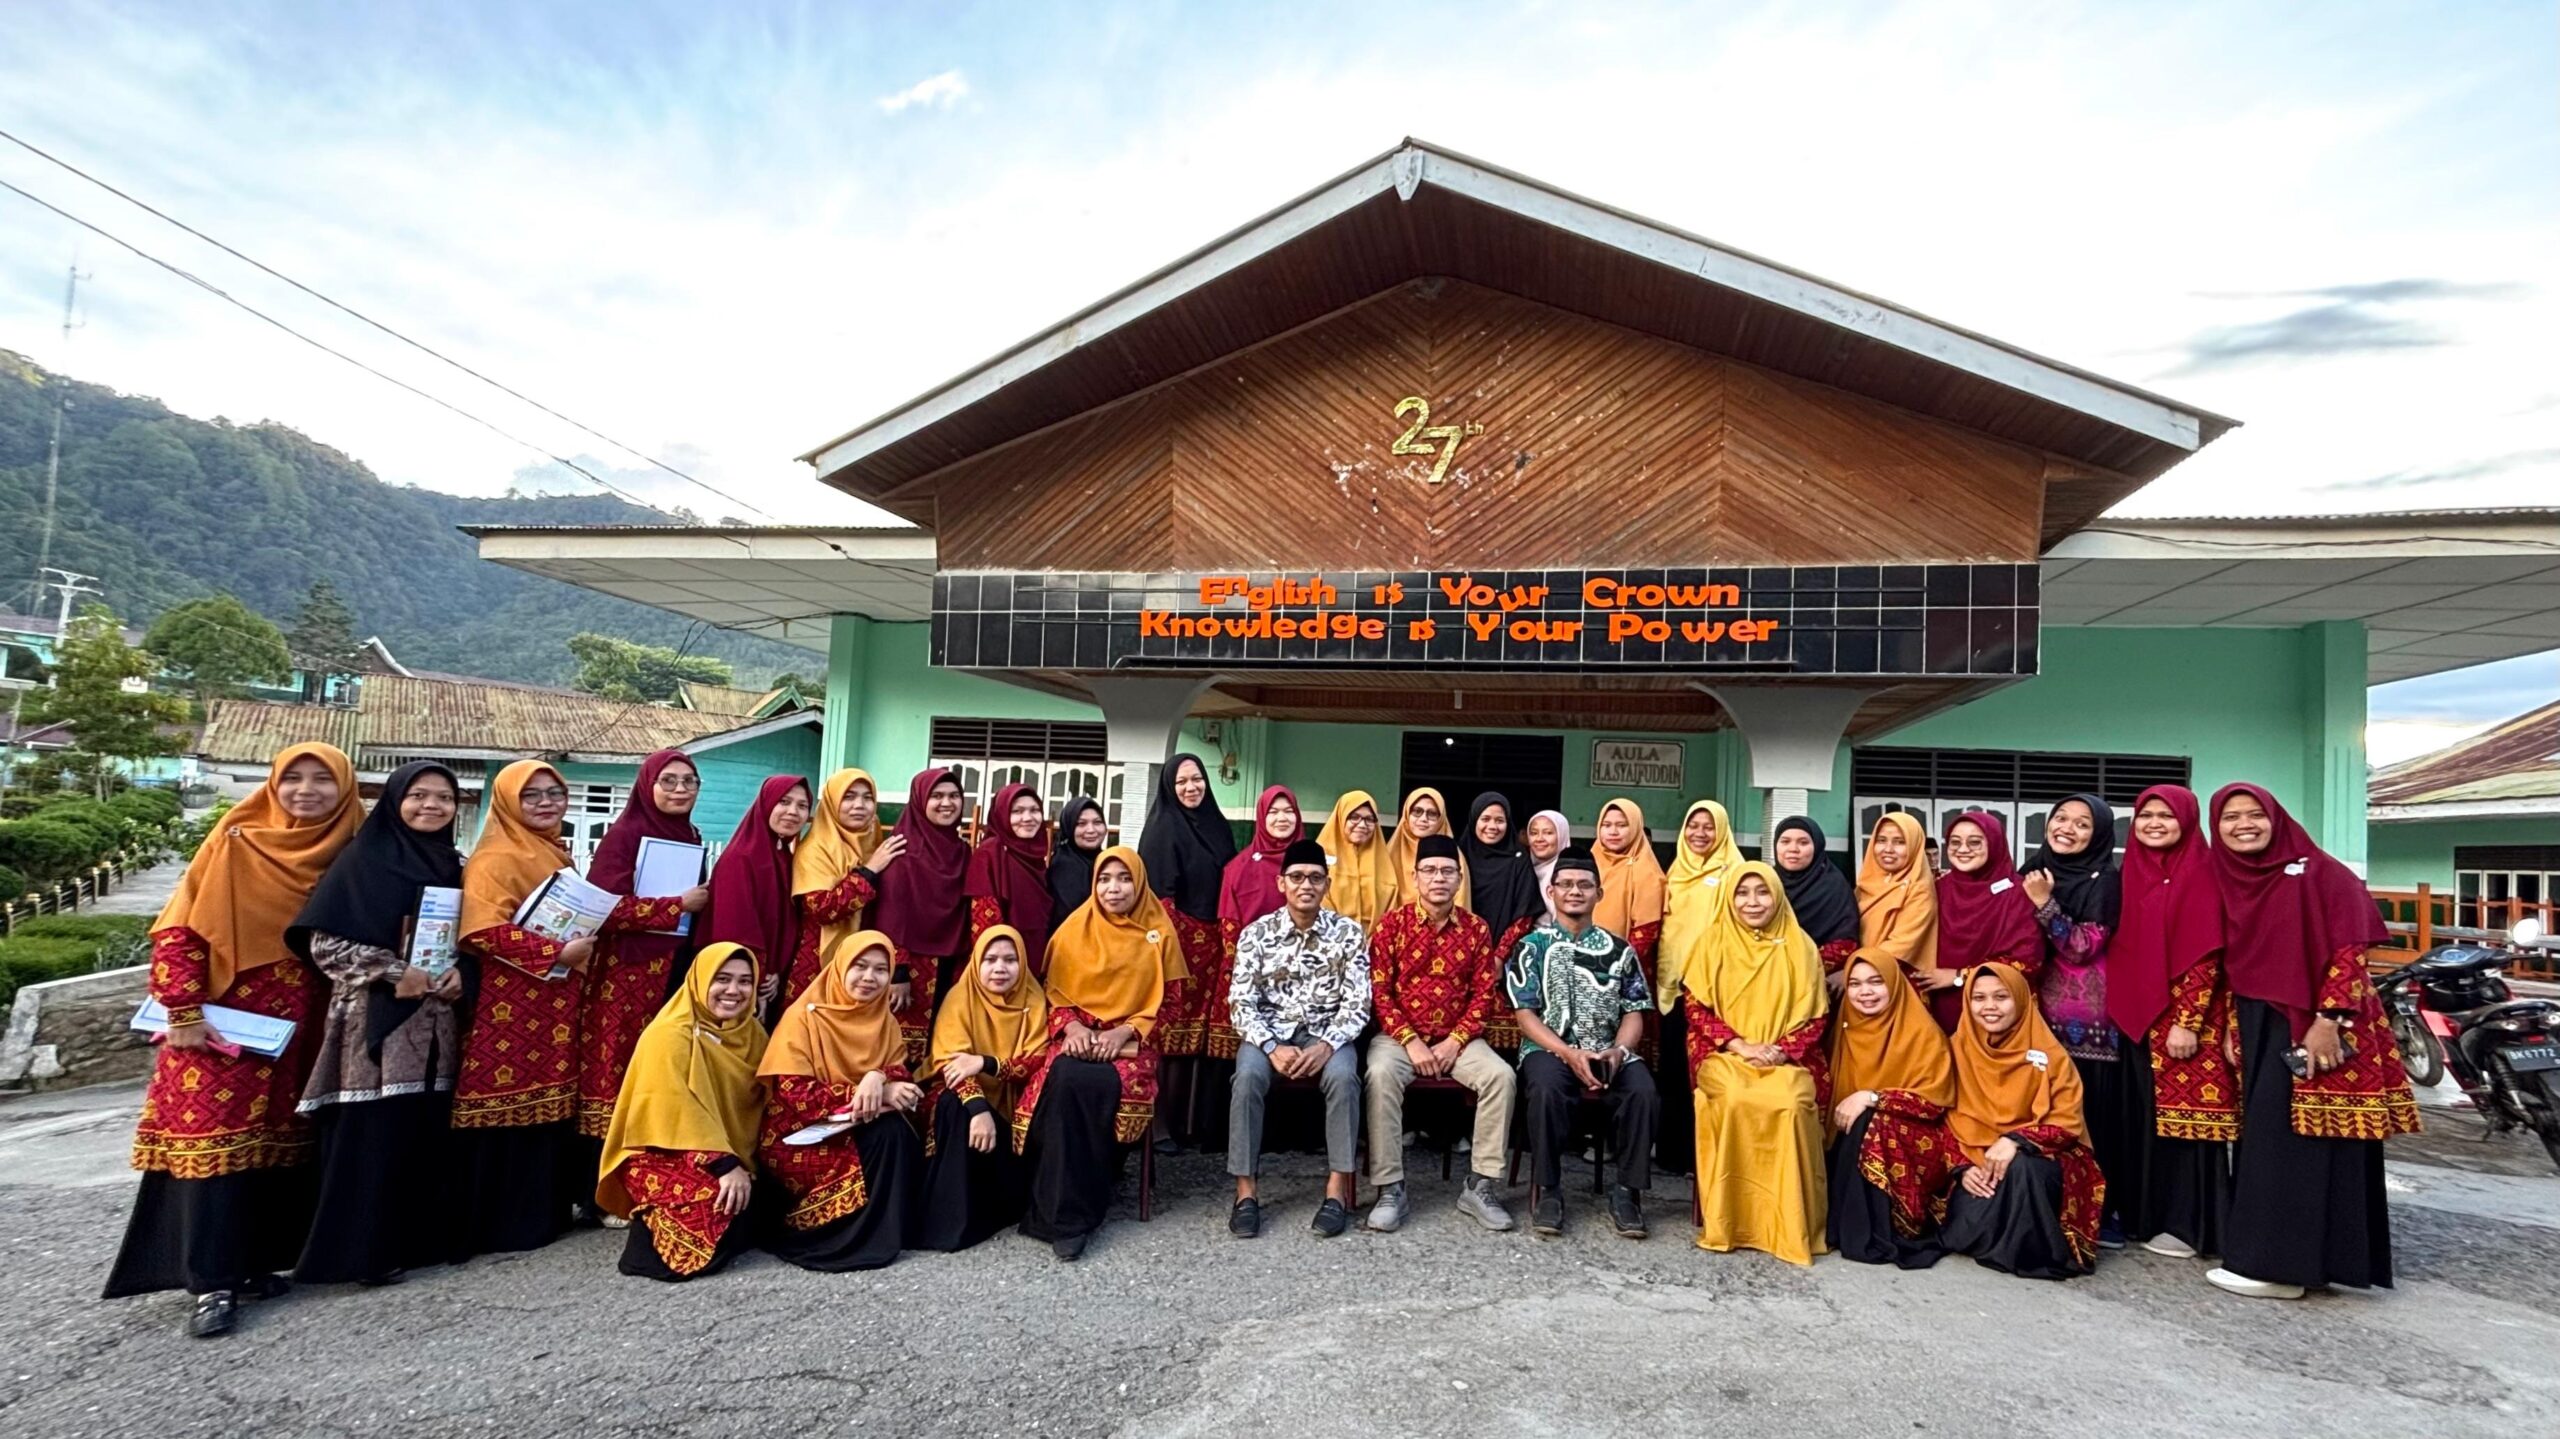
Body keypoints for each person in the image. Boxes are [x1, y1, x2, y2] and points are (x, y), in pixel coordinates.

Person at [103, 743, 362, 1338]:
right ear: (272, 784)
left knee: (277, 1148)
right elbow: (180, 927)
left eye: (322, 780)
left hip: (308, 1028)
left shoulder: (352, 847)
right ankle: (211, 1284)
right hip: (225, 1025)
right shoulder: (236, 840)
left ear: (345, 788)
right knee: (215, 1149)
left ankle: (251, 1266)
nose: (306, 790)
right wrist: (184, 1009)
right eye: (292, 778)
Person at [448, 761, 685, 1258]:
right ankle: (498, 1223)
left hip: (560, 999)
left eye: (555, 793)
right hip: (513, 1002)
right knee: (510, 1104)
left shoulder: (555, 852)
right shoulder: (495, 856)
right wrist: (553, 953)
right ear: (509, 800)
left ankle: (543, 1213)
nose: (546, 803)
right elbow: (481, 930)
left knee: (552, 1104)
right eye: (532, 796)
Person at [2203, 782, 2416, 1300]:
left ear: (2277, 819)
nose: (2243, 825)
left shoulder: (2320, 871)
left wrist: (2330, 1017)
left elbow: (2351, 948)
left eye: (2255, 814)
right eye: (2230, 817)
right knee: (2269, 1137)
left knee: (2290, 1139)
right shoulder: (2227, 878)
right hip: (2260, 1017)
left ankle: (2275, 1268)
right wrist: (2234, 1029)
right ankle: (2310, 1262)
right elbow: (2234, 965)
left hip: (2317, 1022)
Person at [287, 761, 467, 1288]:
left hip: (437, 1020)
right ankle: (358, 1254)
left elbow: (470, 936)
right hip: (376, 1020)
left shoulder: (452, 865)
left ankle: (417, 1241)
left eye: (444, 798)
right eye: (418, 795)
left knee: (422, 1128)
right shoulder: (362, 861)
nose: (431, 806)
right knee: (372, 1132)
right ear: (394, 800)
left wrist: (462, 974)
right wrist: (393, 971)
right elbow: (325, 944)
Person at [1014, 847, 1178, 1261]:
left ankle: (1078, 1207)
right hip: (1079, 1035)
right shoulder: (1074, 928)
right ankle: (1056, 1207)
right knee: (1064, 1079)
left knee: (1098, 1083)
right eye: (1105, 879)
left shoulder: (1160, 932)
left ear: (1139, 882)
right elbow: (1053, 993)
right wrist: (1073, 1027)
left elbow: (1173, 1007)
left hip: (1132, 1043)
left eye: (1124, 878)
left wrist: (1125, 1032)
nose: (1113, 888)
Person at [1363, 834, 1515, 1233]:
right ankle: (1390, 1188)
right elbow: (1379, 991)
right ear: (1414, 877)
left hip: (1458, 1040)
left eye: (1447, 871)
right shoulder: (1392, 926)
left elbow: (1485, 992)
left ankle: (1480, 1186)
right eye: (1429, 870)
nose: (1438, 878)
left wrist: (1456, 1040)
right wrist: (1411, 1041)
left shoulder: (1476, 929)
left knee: (1501, 1076)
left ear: (1459, 878)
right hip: (1399, 1039)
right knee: (1379, 1075)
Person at [574, 750, 713, 1185]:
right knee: (615, 1066)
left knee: (659, 1068)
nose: (679, 790)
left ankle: (648, 1174)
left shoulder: (690, 835)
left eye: (689, 782)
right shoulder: (625, 834)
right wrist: (676, 906)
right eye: (668, 781)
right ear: (647, 784)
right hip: (626, 973)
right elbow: (603, 908)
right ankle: (597, 1184)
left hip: (672, 968)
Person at [1683, 862, 1830, 1266]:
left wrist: (1781, 1050)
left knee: (1789, 1103)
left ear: (1778, 896)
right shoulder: (1711, 941)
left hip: (1785, 1060)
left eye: (1762, 892)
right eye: (1742, 893)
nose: (1752, 901)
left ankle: (1788, 1225)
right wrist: (1739, 1045)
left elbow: (1817, 1017)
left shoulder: (1801, 946)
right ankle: (1731, 1222)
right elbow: (1696, 1007)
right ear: (1730, 898)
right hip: (1726, 1055)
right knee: (1732, 1099)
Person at [1507, 848, 1658, 1240]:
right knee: (1544, 1087)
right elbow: (1525, 1015)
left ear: (1599, 894)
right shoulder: (1530, 947)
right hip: (1550, 1049)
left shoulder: (1620, 950)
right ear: (1552, 892)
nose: (1575, 892)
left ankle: (1628, 1193)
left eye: (1585, 885)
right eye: (1567, 885)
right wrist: (1567, 1052)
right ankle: (1550, 1191)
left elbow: (1634, 1011)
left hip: (1609, 1048)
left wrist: (1619, 1051)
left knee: (1642, 1090)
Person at [2110, 785, 2234, 1259]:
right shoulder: (2133, 872)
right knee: (2144, 1122)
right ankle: (2147, 1216)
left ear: (2187, 820)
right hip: (2136, 1016)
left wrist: (2189, 1021)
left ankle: (2190, 1228)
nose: (2154, 823)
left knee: (2190, 1127)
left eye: (2166, 815)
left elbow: (2207, 954)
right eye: (2146, 815)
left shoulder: (2201, 871)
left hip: (2186, 1020)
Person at [1225, 837, 1371, 1239]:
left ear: (1327, 884)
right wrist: (1271, 1047)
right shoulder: (1257, 934)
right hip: (1269, 1036)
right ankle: (1246, 1193)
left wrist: (1327, 1045)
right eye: (1297, 877)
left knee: (1344, 1079)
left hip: (1327, 1035)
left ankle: (1336, 1191)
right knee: (1248, 1080)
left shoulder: (1348, 934)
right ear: (1281, 883)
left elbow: (1358, 1003)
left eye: (1315, 878)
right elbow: (1240, 1002)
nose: (1306, 885)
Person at [595, 943, 768, 1281]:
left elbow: (771, 1096)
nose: (734, 991)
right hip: (661, 1151)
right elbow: (670, 1110)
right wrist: (725, 1164)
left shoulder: (752, 1034)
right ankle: (647, 1250)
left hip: (730, 1153)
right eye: (722, 979)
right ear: (699, 981)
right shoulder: (670, 1034)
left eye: (745, 981)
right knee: (713, 1200)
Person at [755, 929, 923, 1271]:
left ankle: (879, 1233)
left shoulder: (884, 1020)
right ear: (841, 966)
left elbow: (898, 1070)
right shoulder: (803, 1017)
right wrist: (864, 1094)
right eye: (860, 966)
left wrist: (878, 1078)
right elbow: (794, 1093)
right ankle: (832, 1237)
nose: (869, 977)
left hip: (853, 1123)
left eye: (880, 970)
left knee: (895, 1131)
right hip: (798, 1132)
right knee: (884, 1133)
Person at [1938, 963, 2106, 1280]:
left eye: (2001, 997)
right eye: (1979, 998)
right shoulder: (1954, 1052)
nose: (1989, 1007)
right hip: (1979, 1160)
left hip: (2045, 1158)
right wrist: (1962, 1168)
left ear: (2021, 999)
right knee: (1969, 1224)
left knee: (2024, 1169)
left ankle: (2031, 1253)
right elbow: (1944, 1118)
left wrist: (2016, 1140)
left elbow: (2067, 1123)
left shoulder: (2049, 1054)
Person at [2023, 793, 2139, 1249]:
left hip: (2087, 1029)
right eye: (2061, 818)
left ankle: (2100, 1214)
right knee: (2041, 1114)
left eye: (2082, 824)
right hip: (2035, 1018)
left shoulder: (2105, 881)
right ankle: (2044, 1206)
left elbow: (2080, 947)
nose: (2067, 828)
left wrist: (2045, 905)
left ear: (2100, 834)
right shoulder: (2034, 869)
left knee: (2090, 1121)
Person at [918, 925, 1052, 1251]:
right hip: (966, 1102)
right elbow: (950, 1064)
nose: (1000, 968)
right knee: (953, 1103)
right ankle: (950, 1222)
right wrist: (979, 1109)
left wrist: (987, 1063)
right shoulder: (961, 997)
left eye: (1010, 959)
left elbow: (1037, 1061)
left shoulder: (1032, 999)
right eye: (990, 959)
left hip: (1011, 1107)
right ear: (976, 963)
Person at [1824, 952, 1962, 1267]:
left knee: (1872, 1121)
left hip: (1912, 1141)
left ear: (1895, 984)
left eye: (1876, 982)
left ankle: (1875, 1230)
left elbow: (1934, 1102)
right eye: (1855, 984)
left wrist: (1873, 1097)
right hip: (1852, 1136)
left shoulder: (1921, 1033)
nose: (1866, 992)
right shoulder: (1844, 1026)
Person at [1652, 799, 1739, 1174]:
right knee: (1672, 1069)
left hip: (1713, 990)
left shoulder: (1735, 871)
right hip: (1673, 985)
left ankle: (1705, 1156)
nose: (1700, 834)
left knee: (1706, 1072)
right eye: (1693, 826)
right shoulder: (1675, 872)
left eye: (1708, 827)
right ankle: (1673, 1154)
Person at [869, 767, 973, 1069]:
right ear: (919, 800)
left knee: (942, 1047)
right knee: (901, 1053)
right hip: (912, 969)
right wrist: (897, 971)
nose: (947, 803)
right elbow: (890, 914)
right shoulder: (901, 849)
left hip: (952, 964)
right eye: (936, 796)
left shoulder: (962, 851)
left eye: (954, 796)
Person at [1135, 753, 1233, 1061]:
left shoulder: (1217, 825)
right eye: (1181, 782)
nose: (1191, 787)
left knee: (1207, 1043)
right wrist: (1177, 947)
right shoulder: (1162, 829)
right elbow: (1158, 903)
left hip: (1217, 948)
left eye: (1197, 779)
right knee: (1175, 1040)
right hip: (1180, 949)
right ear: (1169, 786)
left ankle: (1203, 1109)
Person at [703, 775, 813, 1020]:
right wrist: (758, 979)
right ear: (766, 803)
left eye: (802, 806)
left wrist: (775, 972)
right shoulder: (741, 858)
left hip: (769, 981)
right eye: (783, 802)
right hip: (737, 986)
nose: (793, 812)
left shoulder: (782, 856)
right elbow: (735, 929)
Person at [786, 767, 900, 1001]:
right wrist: (869, 872)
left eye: (867, 798)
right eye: (848, 797)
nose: (859, 805)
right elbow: (821, 909)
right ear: (831, 802)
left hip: (864, 962)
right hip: (819, 961)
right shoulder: (815, 849)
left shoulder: (874, 839)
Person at [1920, 812, 2042, 1030]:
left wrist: (1959, 976)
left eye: (1975, 842)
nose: (1963, 849)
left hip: (1998, 1009)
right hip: (1942, 1005)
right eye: (1955, 842)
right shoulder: (1938, 889)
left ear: (1995, 843)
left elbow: (2027, 961)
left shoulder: (2020, 893)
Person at [1210, 785, 1302, 1059]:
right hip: (1257, 975)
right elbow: (1230, 930)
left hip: (1308, 976)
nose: (1282, 818)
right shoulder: (1240, 867)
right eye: (1273, 811)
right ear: (1261, 817)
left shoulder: (1313, 864)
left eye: (1289, 811)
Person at [965, 782, 1056, 975]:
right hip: (1002, 963)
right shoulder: (990, 853)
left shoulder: (1035, 856)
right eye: (1017, 811)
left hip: (1036, 954)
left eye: (1034, 810)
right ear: (1002, 815)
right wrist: (999, 964)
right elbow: (983, 917)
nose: (1028, 818)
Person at [1855, 811, 1938, 992]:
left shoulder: (1919, 890)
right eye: (1881, 840)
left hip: (1895, 983)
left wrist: (1853, 970)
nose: (1888, 849)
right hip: (1861, 982)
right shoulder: (1866, 884)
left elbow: (1900, 946)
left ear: (1915, 846)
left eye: (1900, 842)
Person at [1771, 816, 1861, 970]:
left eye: (1803, 842)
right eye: (1785, 841)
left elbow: (1847, 943)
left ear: (1817, 846)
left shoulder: (1833, 886)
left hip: (1816, 976)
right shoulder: (1766, 883)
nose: (1793, 849)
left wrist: (1799, 965)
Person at [1588, 798, 1664, 965]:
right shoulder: (1589, 864)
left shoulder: (1647, 872)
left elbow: (1645, 934)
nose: (1613, 832)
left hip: (1624, 967)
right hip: (1582, 961)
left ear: (1636, 828)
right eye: (1606, 825)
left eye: (1622, 825)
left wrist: (1616, 965)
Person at [1043, 796, 1110, 966]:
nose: (1091, 830)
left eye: (1097, 822)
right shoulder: (1065, 865)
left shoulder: (1102, 860)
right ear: (1068, 826)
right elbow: (1073, 919)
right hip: (1073, 958)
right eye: (1081, 824)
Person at [1315, 789, 1392, 928]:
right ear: (1341, 817)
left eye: (1369, 819)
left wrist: (1375, 939)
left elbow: (1391, 910)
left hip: (1375, 944)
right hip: (1329, 938)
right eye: (1354, 817)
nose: (1362, 825)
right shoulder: (1318, 855)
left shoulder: (1385, 862)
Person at [1387, 786, 1468, 911]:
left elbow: (1460, 902)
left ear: (1441, 819)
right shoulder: (1389, 853)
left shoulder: (1453, 856)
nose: (1423, 819)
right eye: (1417, 811)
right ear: (1407, 814)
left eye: (1432, 814)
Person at [1523, 809, 1569, 926]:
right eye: (1533, 833)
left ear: (1562, 835)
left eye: (1548, 833)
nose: (1539, 839)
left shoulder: (1566, 874)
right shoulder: (1523, 870)